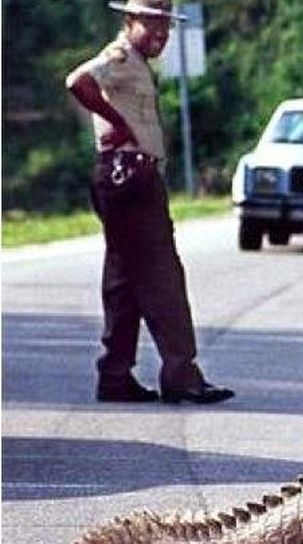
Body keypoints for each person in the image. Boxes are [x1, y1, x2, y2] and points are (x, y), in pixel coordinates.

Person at [66, 0, 234, 404]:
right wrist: (117, 121)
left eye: (166, 28)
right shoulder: (120, 56)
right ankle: (182, 374)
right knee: (162, 276)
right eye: (152, 26)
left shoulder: (137, 62)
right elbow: (78, 81)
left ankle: (115, 375)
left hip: (127, 177)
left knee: (124, 282)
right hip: (129, 177)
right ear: (129, 21)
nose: (160, 36)